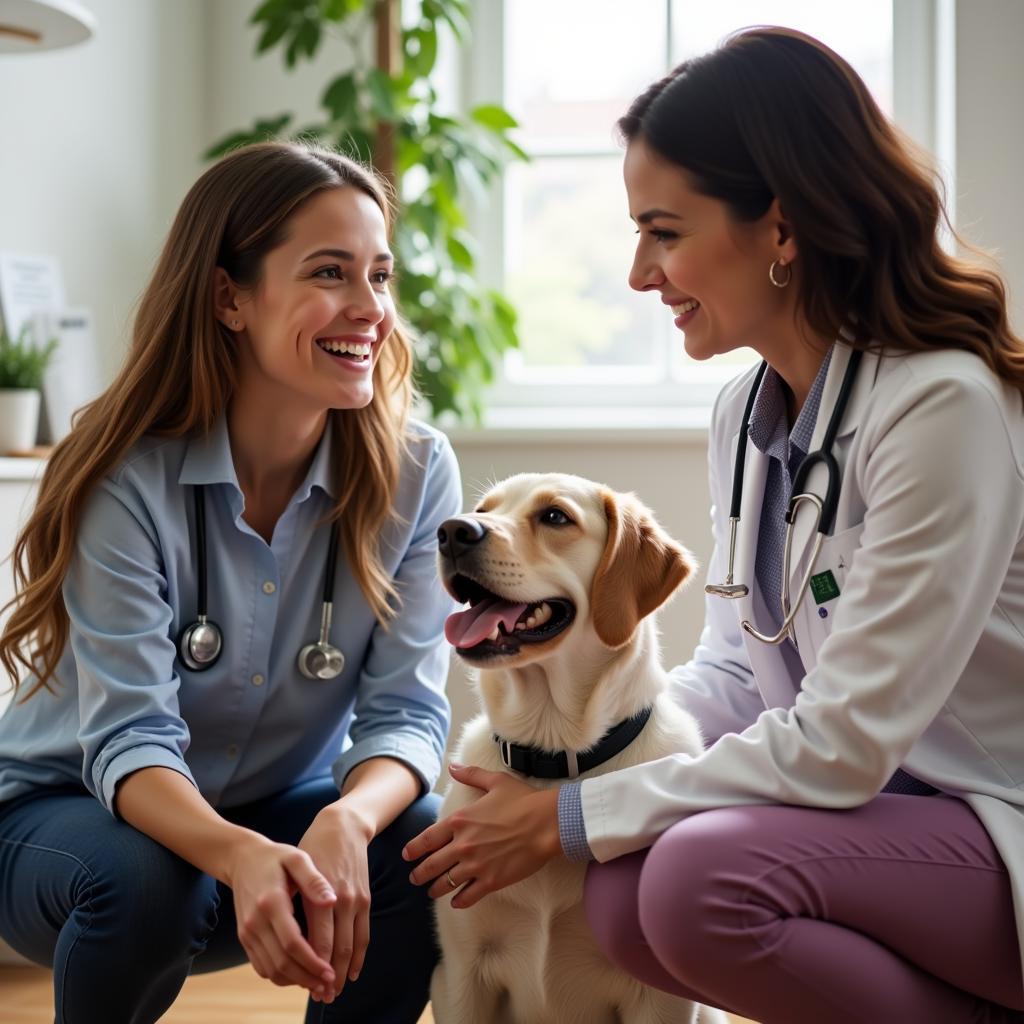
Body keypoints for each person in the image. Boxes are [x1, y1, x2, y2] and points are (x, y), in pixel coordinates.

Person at [402, 27, 1024, 1024]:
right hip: (867, 826)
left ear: (780, 228)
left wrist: (571, 812)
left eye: (664, 229)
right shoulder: (746, 412)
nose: (642, 274)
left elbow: (846, 739)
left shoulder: (939, 405)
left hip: (988, 829)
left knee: (690, 881)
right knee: (617, 894)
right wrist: (587, 756)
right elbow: (737, 673)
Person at [0, 141, 461, 1024]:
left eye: (381, 275)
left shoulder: (415, 470)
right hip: (65, 825)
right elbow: (129, 741)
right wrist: (236, 853)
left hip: (268, 814)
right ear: (229, 298)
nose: (370, 309)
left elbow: (407, 712)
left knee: (418, 847)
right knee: (146, 879)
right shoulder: (126, 477)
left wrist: (352, 819)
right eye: (331, 273)